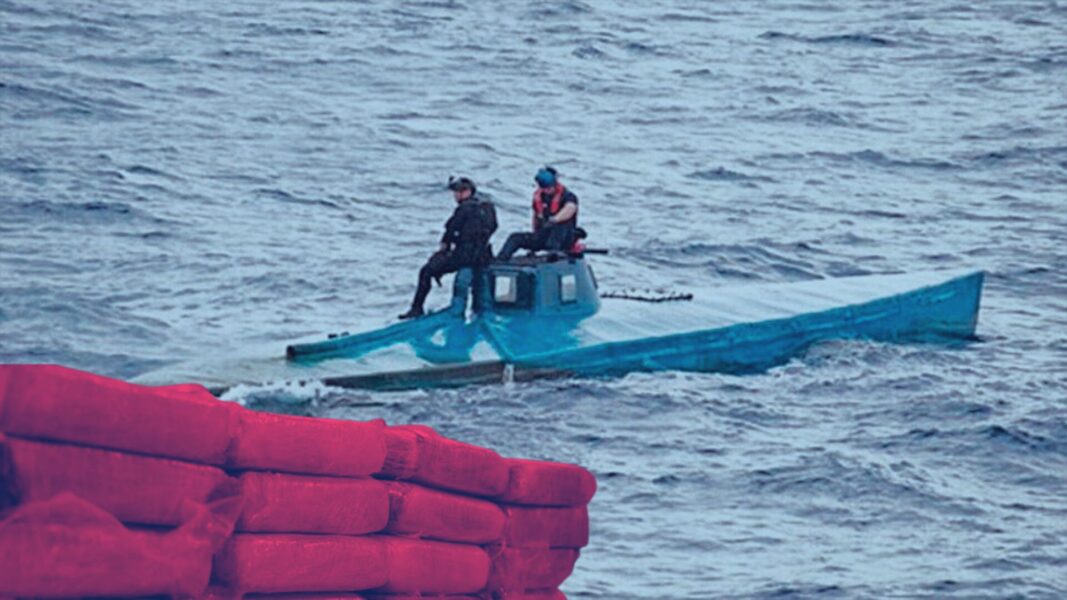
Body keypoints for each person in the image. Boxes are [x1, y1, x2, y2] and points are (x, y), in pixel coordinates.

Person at [398, 176, 497, 320]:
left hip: (464, 256)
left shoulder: (464, 209)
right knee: (479, 284)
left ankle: (416, 308)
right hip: (484, 257)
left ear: (468, 192)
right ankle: (480, 311)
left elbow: (450, 232)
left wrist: (442, 251)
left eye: (459, 192)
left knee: (426, 271)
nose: (456, 195)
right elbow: (494, 227)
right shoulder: (487, 207)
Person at [496, 166, 579, 262]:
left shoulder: (568, 196)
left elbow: (570, 208)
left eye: (549, 187)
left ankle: (553, 255)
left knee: (559, 227)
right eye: (544, 187)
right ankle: (501, 259)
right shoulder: (539, 197)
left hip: (562, 239)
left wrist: (555, 219)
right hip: (544, 236)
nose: (546, 190)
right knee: (515, 238)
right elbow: (536, 217)